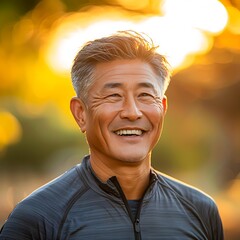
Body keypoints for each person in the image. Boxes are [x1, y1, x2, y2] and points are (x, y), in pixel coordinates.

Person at [0, 30, 224, 239]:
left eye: (145, 95)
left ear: (162, 108)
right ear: (80, 114)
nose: (132, 112)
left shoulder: (201, 210)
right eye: (113, 96)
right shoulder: (39, 217)